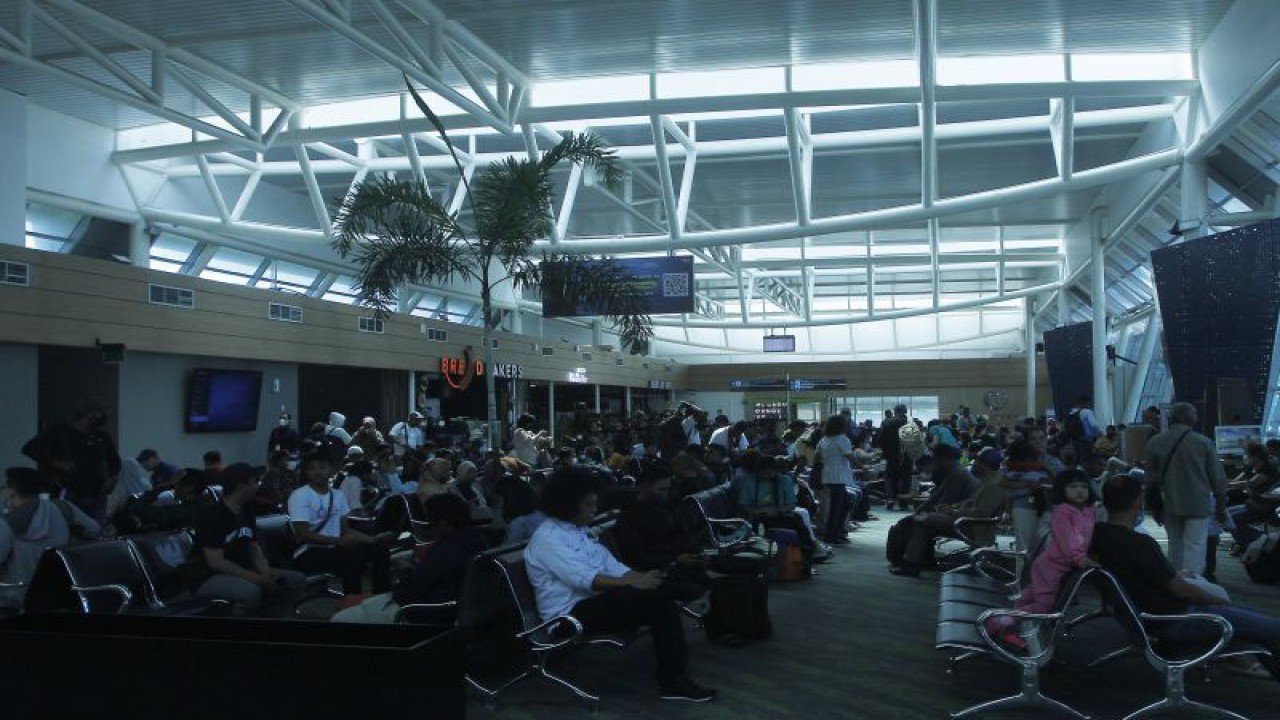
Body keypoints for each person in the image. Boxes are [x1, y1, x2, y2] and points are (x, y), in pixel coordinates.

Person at [524, 467, 716, 702]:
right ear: (568, 505)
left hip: (595, 603)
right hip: (568, 616)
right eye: (589, 504)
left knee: (667, 586)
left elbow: (612, 566)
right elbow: (586, 580)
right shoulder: (548, 539)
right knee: (659, 603)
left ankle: (675, 673)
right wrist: (634, 582)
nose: (595, 508)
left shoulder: (578, 532)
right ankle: (673, 681)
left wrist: (645, 578)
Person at [1091, 472, 1280, 682]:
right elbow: (1181, 590)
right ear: (1137, 501)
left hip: (1147, 616)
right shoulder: (1140, 544)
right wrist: (1221, 602)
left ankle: (1243, 659)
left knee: (1248, 622)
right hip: (1175, 618)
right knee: (1273, 628)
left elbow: (1150, 577)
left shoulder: (1097, 536)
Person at [332, 493, 487, 624]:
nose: (428, 527)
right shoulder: (477, 541)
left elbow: (410, 590)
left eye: (430, 522)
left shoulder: (448, 550)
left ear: (444, 525)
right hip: (450, 605)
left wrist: (405, 570)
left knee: (341, 618)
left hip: (422, 609)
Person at [986, 469, 1099, 647]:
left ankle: (1007, 628)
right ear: (1061, 490)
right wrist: (1080, 558)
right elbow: (1067, 539)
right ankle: (998, 623)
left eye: (1084, 486)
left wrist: (1086, 555)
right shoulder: (1062, 511)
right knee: (1044, 606)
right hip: (1051, 567)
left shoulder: (1089, 510)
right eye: (1073, 487)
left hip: (1060, 567)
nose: (1079, 491)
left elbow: (1087, 535)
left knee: (1028, 600)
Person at [191, 463, 306, 617]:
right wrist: (258, 579)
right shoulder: (213, 515)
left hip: (244, 570)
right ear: (241, 486)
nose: (258, 485)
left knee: (297, 580)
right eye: (255, 481)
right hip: (209, 576)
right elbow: (215, 562)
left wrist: (265, 572)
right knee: (250, 592)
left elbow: (252, 545)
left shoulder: (247, 509)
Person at [288, 453, 396, 595]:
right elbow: (302, 533)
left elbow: (345, 530)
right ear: (306, 472)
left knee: (380, 550)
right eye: (312, 468)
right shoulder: (300, 495)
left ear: (331, 470)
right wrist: (339, 541)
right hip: (308, 551)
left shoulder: (337, 495)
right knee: (352, 554)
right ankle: (352, 600)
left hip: (335, 547)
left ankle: (381, 597)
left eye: (322, 467)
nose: (318, 472)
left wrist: (374, 540)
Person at [894, 447, 1008, 576]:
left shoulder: (993, 485)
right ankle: (915, 563)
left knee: (924, 520)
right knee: (924, 524)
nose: (973, 463)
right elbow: (971, 502)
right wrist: (953, 508)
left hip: (973, 526)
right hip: (968, 522)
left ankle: (911, 565)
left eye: (977, 461)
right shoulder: (988, 480)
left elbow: (982, 513)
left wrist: (954, 512)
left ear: (985, 465)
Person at [0, 467, 102, 610]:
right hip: (60, 595)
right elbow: (94, 530)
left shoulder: (6, 524)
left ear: (12, 491)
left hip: (15, 599)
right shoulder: (64, 508)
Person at [1145, 402, 1228, 576]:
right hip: (1198, 503)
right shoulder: (1203, 443)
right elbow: (1218, 479)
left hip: (1169, 502)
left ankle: (1175, 580)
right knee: (1195, 545)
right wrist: (1221, 506)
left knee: (1175, 544)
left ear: (1170, 418)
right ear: (1193, 419)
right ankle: (1193, 582)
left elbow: (1150, 479)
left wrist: (1153, 506)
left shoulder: (1155, 442)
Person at [887, 444, 979, 576]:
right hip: (964, 517)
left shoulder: (957, 474)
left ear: (944, 458)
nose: (934, 462)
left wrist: (923, 513)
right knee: (920, 523)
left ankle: (910, 564)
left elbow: (945, 501)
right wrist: (920, 510)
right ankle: (918, 562)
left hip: (966, 521)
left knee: (920, 523)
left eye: (935, 458)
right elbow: (937, 497)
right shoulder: (955, 471)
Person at [20, 400, 121, 521]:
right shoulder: (61, 432)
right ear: (88, 415)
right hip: (68, 492)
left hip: (97, 495)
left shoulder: (102, 436)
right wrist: (55, 463)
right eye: (98, 413)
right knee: (67, 529)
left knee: (95, 531)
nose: (101, 417)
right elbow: (29, 449)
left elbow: (115, 461)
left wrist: (112, 478)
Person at [1225, 442, 1280, 552]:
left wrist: (1224, 484)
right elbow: (1238, 481)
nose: (1245, 457)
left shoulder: (1267, 469)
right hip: (1253, 503)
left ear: (1255, 456)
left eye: (1247, 454)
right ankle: (1243, 542)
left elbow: (1249, 483)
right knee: (1227, 515)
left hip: (1264, 506)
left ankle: (1255, 539)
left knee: (1231, 518)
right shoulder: (1253, 467)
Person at [1002, 438, 1053, 553]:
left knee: (1025, 547)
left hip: (1028, 508)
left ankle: (1025, 570)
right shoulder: (1041, 468)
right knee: (1036, 547)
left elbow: (1006, 488)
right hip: (1037, 507)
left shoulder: (1010, 471)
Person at [816, 414, 858, 545]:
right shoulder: (842, 439)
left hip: (827, 476)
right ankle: (832, 535)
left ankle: (837, 532)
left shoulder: (824, 440)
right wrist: (864, 467)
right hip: (838, 477)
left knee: (843, 504)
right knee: (837, 507)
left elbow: (816, 458)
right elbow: (849, 456)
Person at [878, 404, 910, 510]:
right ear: (905, 411)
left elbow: (880, 440)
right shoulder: (911, 423)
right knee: (905, 478)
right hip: (906, 455)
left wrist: (885, 452)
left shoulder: (887, 423)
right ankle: (903, 502)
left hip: (891, 455)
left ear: (895, 411)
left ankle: (891, 500)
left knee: (891, 478)